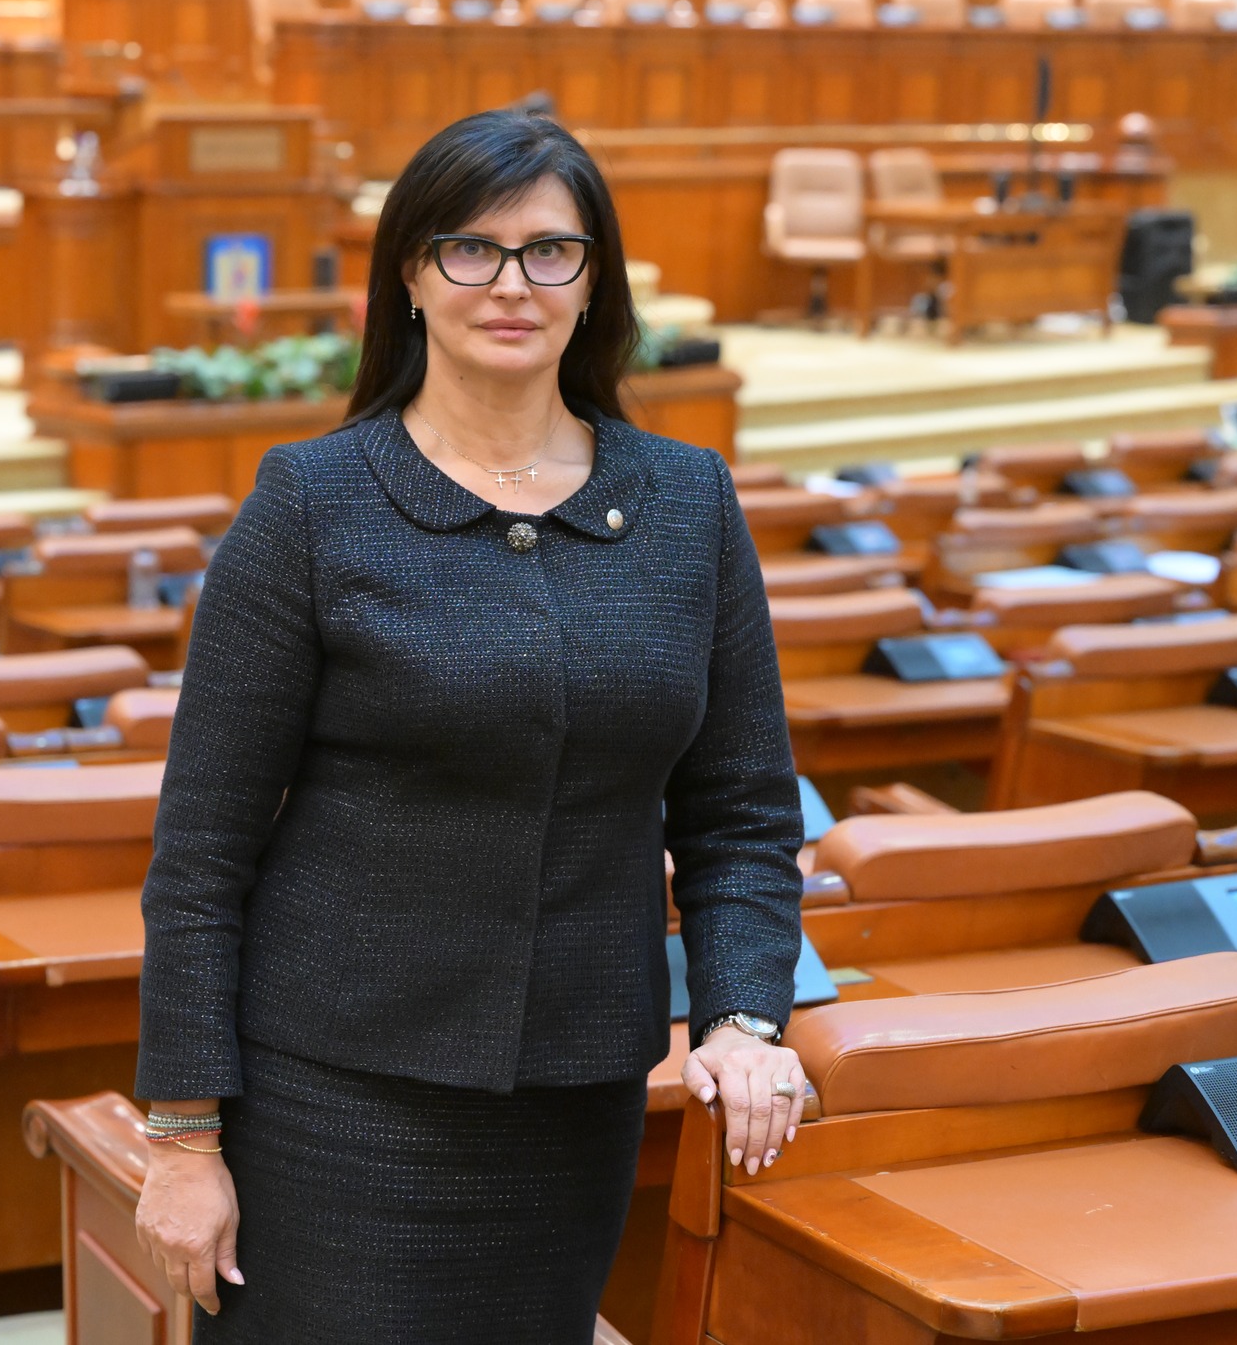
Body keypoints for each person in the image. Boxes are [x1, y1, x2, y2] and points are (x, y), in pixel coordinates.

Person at [132, 108, 807, 1343]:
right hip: (334, 1095)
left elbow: (742, 816)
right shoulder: (310, 506)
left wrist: (742, 1015)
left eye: (549, 251)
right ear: (409, 273)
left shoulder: (687, 502)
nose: (510, 284)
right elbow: (200, 857)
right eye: (469, 249)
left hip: (574, 1098)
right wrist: (182, 1137)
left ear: (592, 281)